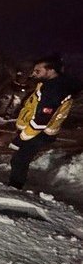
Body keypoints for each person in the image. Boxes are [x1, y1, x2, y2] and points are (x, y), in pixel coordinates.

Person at [8, 55, 81, 189]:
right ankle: (15, 186)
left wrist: (21, 138)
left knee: (19, 160)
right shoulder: (52, 84)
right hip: (35, 130)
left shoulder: (54, 89)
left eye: (38, 71)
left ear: (51, 70)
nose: (34, 74)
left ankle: (14, 190)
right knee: (19, 160)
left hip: (39, 132)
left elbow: (42, 120)